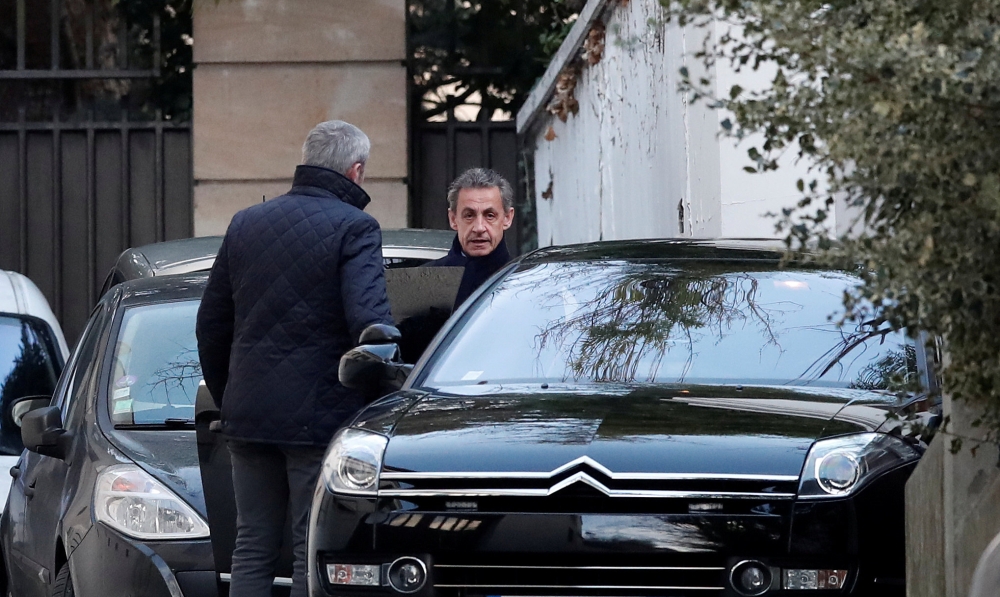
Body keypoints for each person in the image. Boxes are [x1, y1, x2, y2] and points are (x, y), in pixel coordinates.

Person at [195, 120, 392, 597]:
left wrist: (230, 397)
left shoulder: (245, 223)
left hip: (247, 415)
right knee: (310, 545)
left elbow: (210, 324)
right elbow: (371, 328)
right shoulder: (356, 227)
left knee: (252, 544)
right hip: (318, 418)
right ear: (356, 170)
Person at [427, 167, 515, 308]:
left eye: (490, 215)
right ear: (453, 219)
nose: (479, 227)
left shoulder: (525, 283)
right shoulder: (425, 281)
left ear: (507, 218)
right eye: (469, 215)